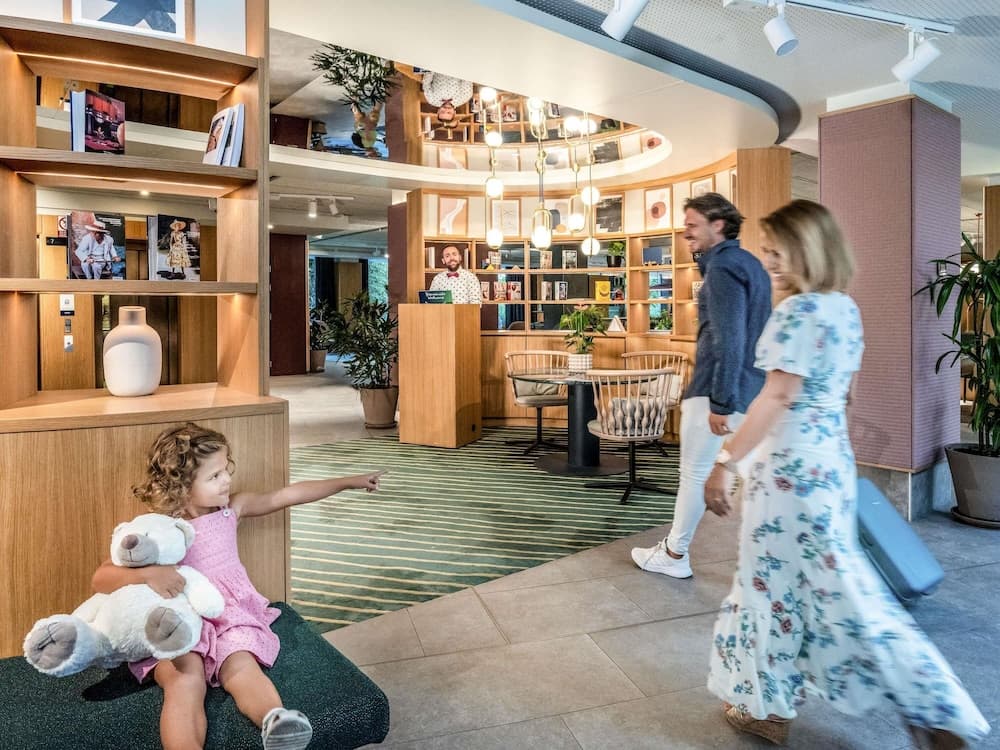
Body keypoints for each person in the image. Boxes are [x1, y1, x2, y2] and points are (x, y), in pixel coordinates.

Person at [703, 200, 989, 748]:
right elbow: (847, 395)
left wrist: (725, 462)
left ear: (807, 249)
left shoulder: (797, 311)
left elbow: (777, 397)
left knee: (774, 586)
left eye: (777, 251)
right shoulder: (844, 309)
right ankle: (923, 704)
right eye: (766, 251)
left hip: (787, 475)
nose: (769, 262)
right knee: (839, 585)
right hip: (829, 464)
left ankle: (778, 706)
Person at [91, 423, 385, 750]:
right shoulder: (160, 530)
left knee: (243, 665)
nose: (227, 480)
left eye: (225, 469)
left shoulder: (232, 509)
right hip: (179, 621)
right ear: (182, 487)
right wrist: (149, 574)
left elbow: (286, 495)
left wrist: (347, 482)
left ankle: (277, 722)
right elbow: (101, 577)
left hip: (229, 617)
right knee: (185, 680)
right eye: (214, 476)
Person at [631, 193, 771, 578]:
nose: (685, 233)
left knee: (694, 474)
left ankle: (674, 554)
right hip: (750, 388)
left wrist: (720, 402)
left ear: (718, 225)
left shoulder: (723, 268)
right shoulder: (751, 264)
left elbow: (729, 339)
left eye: (692, 225)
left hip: (715, 390)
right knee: (748, 473)